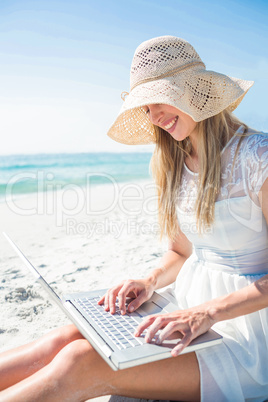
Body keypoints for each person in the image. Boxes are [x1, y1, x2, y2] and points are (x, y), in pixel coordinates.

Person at [0, 35, 267, 402]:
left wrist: (207, 312)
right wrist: (149, 280)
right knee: (69, 337)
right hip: (188, 303)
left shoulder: (258, 158)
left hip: (249, 334)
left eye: (159, 99)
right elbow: (181, 252)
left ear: (192, 90)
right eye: (145, 107)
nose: (154, 116)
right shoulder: (172, 163)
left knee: (81, 364)